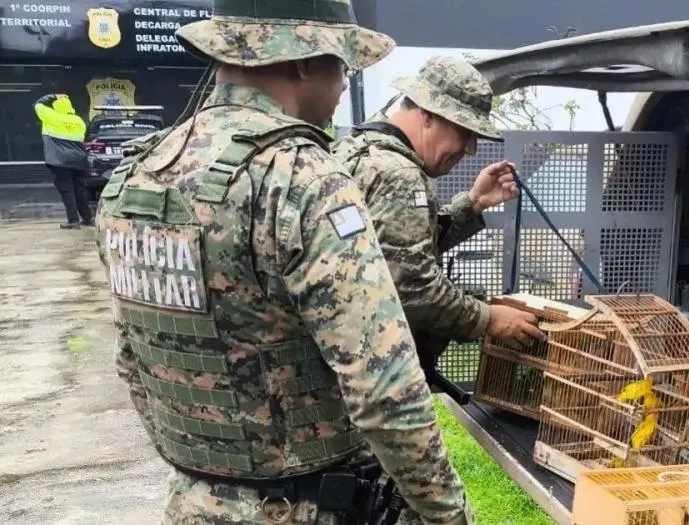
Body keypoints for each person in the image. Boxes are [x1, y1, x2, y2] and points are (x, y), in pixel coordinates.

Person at [94, 1, 473, 524]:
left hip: (192, 503)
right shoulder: (302, 179)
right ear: (302, 59)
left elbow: (133, 358)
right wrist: (447, 514)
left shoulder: (140, 171)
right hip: (302, 506)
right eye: (341, 64)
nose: (344, 85)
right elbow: (384, 387)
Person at [330, 56, 547, 368]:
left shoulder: (357, 148)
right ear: (428, 114)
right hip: (377, 371)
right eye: (465, 131)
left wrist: (473, 203)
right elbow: (412, 284)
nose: (471, 148)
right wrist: (487, 318)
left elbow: (387, 251)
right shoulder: (397, 173)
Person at [33, 93, 93, 229]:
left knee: (67, 191)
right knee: (80, 190)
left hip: (59, 162)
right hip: (79, 160)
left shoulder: (50, 116)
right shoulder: (78, 121)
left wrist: (53, 96)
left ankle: (73, 221)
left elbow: (37, 104)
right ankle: (88, 218)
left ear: (55, 106)